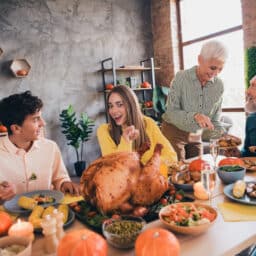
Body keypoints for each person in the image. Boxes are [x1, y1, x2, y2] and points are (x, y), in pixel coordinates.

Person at [0, 91, 80, 203]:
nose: (43, 123)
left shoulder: (50, 147)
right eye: (35, 119)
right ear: (16, 128)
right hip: (8, 218)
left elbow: (60, 179)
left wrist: (64, 184)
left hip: (48, 214)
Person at [161, 40, 228, 160]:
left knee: (199, 170)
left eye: (220, 69)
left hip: (196, 135)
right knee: (176, 171)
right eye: (213, 68)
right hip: (174, 132)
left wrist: (224, 136)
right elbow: (171, 112)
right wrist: (195, 116)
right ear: (200, 59)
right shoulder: (181, 78)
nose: (216, 73)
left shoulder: (219, 85)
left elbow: (215, 119)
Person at [97, 85, 177, 176]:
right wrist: (125, 141)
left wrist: (146, 167)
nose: (113, 110)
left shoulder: (148, 123)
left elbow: (172, 157)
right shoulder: (104, 131)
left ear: (131, 105)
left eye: (119, 105)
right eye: (110, 106)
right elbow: (114, 168)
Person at [241, 75, 256, 156]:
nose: (247, 92)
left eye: (254, 85)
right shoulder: (251, 119)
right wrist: (238, 154)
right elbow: (247, 151)